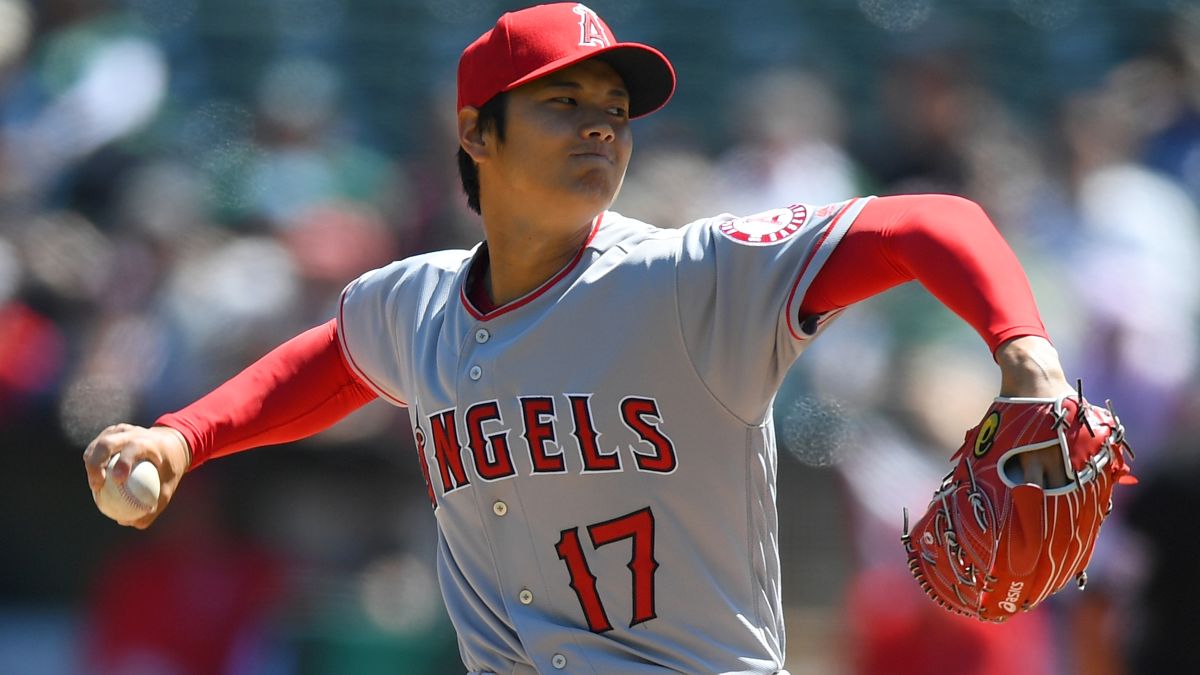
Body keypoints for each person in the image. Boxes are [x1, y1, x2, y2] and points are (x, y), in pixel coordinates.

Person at [83, 4, 1076, 673]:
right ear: (477, 132)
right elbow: (336, 358)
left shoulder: (691, 278)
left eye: (614, 110)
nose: (601, 126)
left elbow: (930, 223)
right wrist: (183, 438)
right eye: (564, 104)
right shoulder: (414, 303)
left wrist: (1021, 348)